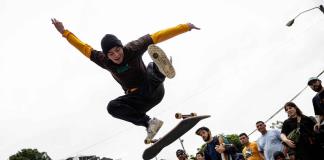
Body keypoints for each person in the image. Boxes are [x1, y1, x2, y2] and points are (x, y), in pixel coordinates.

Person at [51, 18, 200, 142]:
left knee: (150, 65)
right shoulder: (103, 61)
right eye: (110, 54)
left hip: (153, 89)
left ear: (122, 47)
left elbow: (157, 36)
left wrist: (185, 27)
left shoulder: (133, 48)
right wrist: (65, 32)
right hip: (138, 100)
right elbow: (84, 48)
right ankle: (149, 123)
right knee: (112, 106)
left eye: (117, 50)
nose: (116, 55)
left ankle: (160, 70)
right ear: (106, 55)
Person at [307, 77, 324, 149]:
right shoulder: (315, 99)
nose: (313, 85)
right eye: (310, 84)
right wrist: (318, 123)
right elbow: (320, 114)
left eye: (314, 82)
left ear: (319, 81)